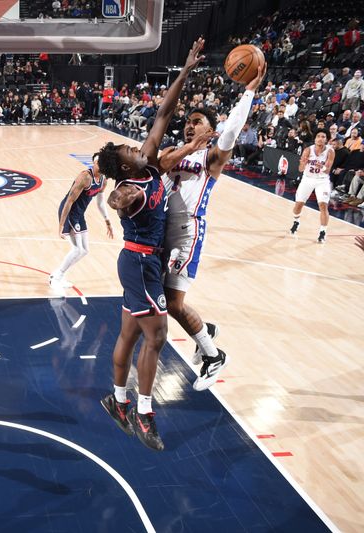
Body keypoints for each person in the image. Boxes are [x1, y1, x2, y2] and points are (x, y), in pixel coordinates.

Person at [96, 38, 206, 451]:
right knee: (156, 336)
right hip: (140, 266)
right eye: (127, 148)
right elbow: (115, 199)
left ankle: (118, 400)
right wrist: (118, 198)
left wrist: (187, 68)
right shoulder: (129, 185)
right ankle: (143, 415)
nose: (134, 144)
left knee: (129, 333)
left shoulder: (147, 159)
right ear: (124, 165)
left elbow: (164, 111)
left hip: (143, 265)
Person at [162, 63, 266, 391]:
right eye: (188, 122)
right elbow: (161, 163)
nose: (190, 126)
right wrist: (187, 147)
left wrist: (248, 91)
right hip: (164, 228)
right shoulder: (174, 152)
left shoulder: (212, 157)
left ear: (210, 128)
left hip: (188, 231)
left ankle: (213, 355)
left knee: (173, 302)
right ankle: (205, 329)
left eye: (197, 122)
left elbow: (233, 129)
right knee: (167, 300)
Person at [49, 153, 113, 290]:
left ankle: (58, 274)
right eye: (98, 162)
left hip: (79, 214)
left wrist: (107, 221)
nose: (100, 165)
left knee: (85, 251)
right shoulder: (85, 177)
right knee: (77, 249)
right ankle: (57, 277)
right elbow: (69, 201)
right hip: (70, 212)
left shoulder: (103, 180)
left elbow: (100, 203)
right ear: (93, 163)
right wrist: (61, 225)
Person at [290, 130, 335, 243]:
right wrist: (303, 163)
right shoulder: (308, 150)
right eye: (318, 136)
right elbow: (300, 169)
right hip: (308, 179)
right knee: (297, 206)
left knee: (323, 206)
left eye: (323, 136)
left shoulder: (330, 151)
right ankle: (296, 221)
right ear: (315, 138)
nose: (320, 138)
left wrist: (322, 167)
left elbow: (328, 170)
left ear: (326, 139)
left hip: (322, 180)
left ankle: (323, 231)